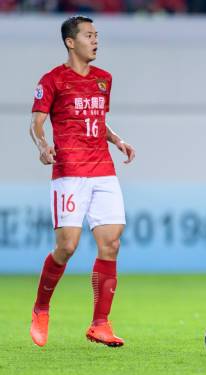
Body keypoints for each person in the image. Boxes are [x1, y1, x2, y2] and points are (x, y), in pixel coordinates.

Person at [29, 15, 136, 348]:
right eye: (89, 35)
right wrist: (43, 145)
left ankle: (100, 323)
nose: (95, 40)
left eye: (97, 35)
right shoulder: (53, 80)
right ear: (70, 42)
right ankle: (41, 308)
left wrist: (117, 140)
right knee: (67, 247)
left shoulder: (104, 80)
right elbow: (36, 124)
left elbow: (97, 121)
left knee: (111, 244)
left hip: (102, 170)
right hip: (70, 173)